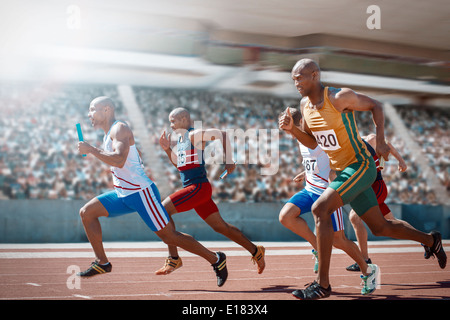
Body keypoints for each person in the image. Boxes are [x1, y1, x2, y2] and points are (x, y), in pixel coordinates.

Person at [279, 59, 446, 300]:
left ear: (315, 75)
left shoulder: (338, 97)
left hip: (360, 165)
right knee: (381, 227)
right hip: (345, 171)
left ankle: (322, 285)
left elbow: (376, 106)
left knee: (320, 209)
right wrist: (293, 130)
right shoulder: (305, 105)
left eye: (300, 77)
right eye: (293, 78)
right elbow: (314, 142)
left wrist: (379, 140)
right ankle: (431, 240)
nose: (295, 82)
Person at [76, 97, 228, 287]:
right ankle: (102, 262)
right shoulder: (109, 134)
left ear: (106, 109)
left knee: (169, 236)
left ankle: (215, 258)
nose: (89, 114)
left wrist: (91, 149)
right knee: (87, 213)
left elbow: (119, 160)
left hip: (141, 193)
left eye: (92, 109)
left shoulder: (119, 128)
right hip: (123, 194)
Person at [278, 107, 379, 296]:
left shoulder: (315, 137)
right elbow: (317, 161)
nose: (287, 133)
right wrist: (304, 173)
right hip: (310, 190)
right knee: (286, 216)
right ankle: (317, 248)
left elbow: (329, 156)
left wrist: (335, 174)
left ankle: (368, 269)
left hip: (327, 195)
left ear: (300, 124)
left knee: (338, 240)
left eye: (288, 128)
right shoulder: (301, 140)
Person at [157, 107, 265, 275]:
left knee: (162, 211)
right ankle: (256, 250)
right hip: (196, 190)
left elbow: (222, 134)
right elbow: (181, 166)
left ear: (184, 119)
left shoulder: (194, 134)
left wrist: (229, 159)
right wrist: (166, 150)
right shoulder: (182, 139)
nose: (171, 125)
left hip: (198, 188)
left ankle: (174, 258)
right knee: (221, 227)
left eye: (173, 121)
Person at [346, 133, 412, 271]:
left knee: (354, 217)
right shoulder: (344, 148)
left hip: (377, 187)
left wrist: (401, 161)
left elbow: (387, 145)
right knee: (392, 221)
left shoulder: (370, 139)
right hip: (365, 189)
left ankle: (364, 259)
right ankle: (427, 240)